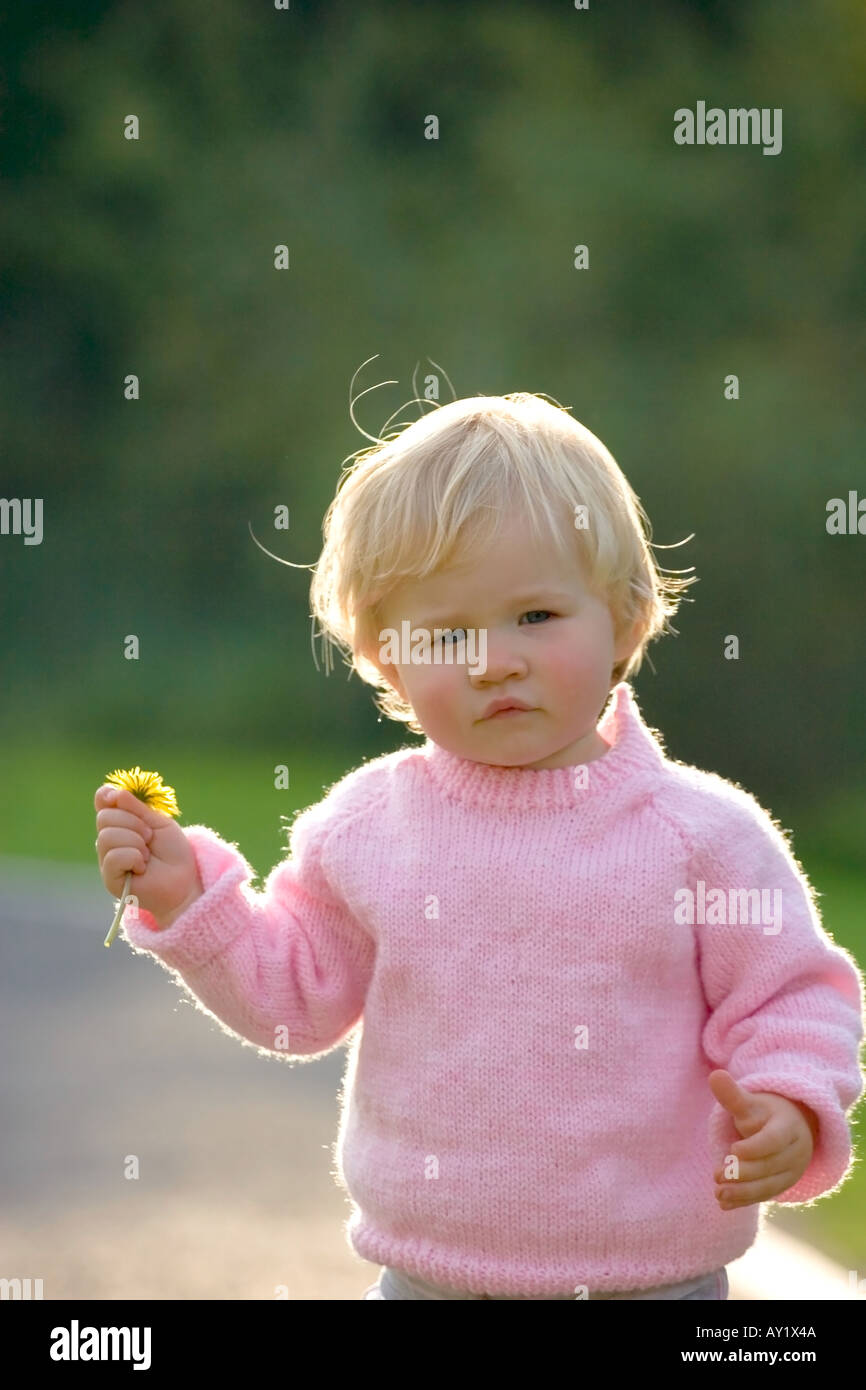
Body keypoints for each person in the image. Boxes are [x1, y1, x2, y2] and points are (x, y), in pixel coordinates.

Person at [94, 392, 864, 1300]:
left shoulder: (701, 840)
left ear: (622, 620)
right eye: (447, 632)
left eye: (535, 617)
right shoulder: (371, 830)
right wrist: (192, 904)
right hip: (427, 1280)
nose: (493, 660)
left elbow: (793, 996)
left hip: (654, 1282)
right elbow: (292, 1001)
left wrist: (788, 1103)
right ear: (388, 661)